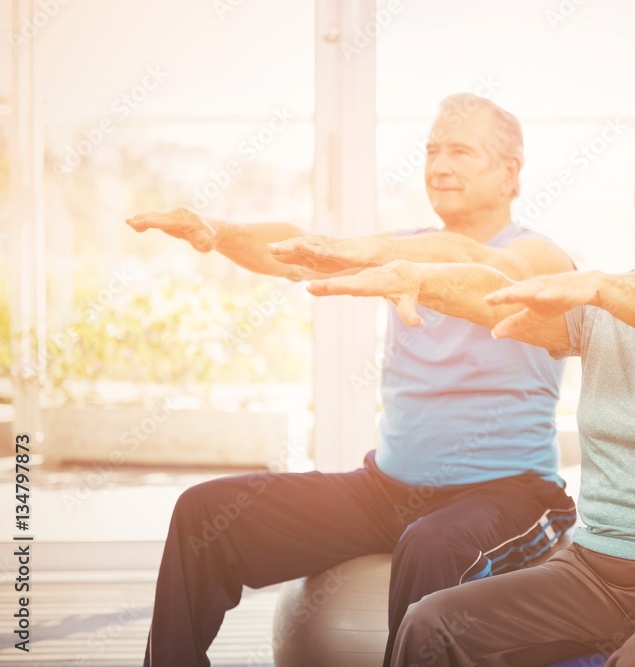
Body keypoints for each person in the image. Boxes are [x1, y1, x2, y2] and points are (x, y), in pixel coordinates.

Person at [307, 93, 635, 667]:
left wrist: (599, 287)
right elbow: (495, 298)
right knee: (433, 624)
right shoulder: (601, 305)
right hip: (600, 568)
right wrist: (418, 277)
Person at [126, 93, 578, 667]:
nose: (439, 165)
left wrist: (367, 255)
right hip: (385, 490)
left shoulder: (538, 256)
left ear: (511, 172)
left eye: (461, 151)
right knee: (204, 513)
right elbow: (292, 253)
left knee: (431, 544)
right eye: (432, 149)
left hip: (509, 494)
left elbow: (480, 263)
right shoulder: (400, 250)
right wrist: (216, 231)